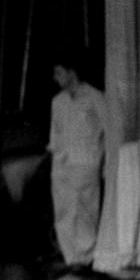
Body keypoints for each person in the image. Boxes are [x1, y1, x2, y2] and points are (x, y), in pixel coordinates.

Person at [48, 53, 107, 268]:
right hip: (62, 165)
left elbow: (107, 131)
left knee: (86, 211)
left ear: (72, 72)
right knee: (64, 212)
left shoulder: (95, 97)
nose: (56, 78)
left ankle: (87, 257)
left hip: (86, 164)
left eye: (59, 72)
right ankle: (71, 258)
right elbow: (55, 133)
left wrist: (103, 163)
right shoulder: (58, 102)